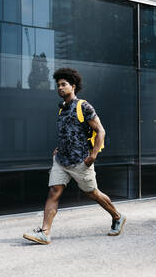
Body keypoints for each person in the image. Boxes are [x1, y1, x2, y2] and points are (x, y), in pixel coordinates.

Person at [23, 68, 126, 245]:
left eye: (64, 85)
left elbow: (100, 131)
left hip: (81, 161)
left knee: (93, 193)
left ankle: (117, 216)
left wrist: (93, 156)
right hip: (61, 160)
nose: (60, 88)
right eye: (58, 85)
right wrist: (58, 148)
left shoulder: (83, 106)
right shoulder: (62, 110)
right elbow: (69, 133)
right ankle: (45, 233)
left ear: (73, 86)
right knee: (54, 192)